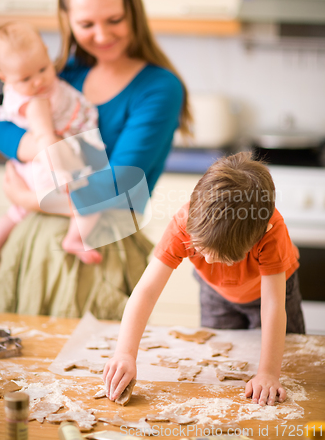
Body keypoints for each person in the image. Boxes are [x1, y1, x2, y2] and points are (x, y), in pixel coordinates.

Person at [0, 0, 191, 319]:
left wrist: (28, 197)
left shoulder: (159, 88)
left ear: (134, 12)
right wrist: (40, 143)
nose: (102, 35)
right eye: (86, 23)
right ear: (67, 22)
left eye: (115, 20)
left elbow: (117, 184)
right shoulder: (62, 75)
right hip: (31, 247)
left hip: (100, 249)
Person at [103, 152, 305, 406]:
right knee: (224, 358)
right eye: (200, 250)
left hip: (272, 295)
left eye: (224, 258)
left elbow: (273, 307)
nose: (207, 262)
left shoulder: (272, 231)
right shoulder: (184, 223)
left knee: (295, 363)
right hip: (214, 293)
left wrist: (268, 373)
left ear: (259, 235)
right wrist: (125, 353)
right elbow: (146, 291)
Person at [0, 21, 105, 269]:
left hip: (32, 167)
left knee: (16, 211)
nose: (39, 82)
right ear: (4, 78)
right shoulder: (37, 102)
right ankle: (74, 239)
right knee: (92, 202)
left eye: (43, 69)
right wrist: (63, 173)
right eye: (26, 78)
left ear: (47, 53)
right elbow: (45, 139)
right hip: (51, 165)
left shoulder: (31, 88)